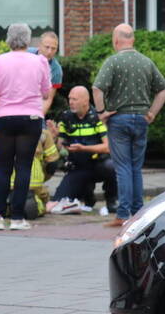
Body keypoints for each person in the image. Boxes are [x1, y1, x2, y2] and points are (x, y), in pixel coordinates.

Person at [93, 24, 165, 228]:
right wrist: (152, 112)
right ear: (133, 40)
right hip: (141, 120)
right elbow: (163, 89)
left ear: (116, 41)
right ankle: (138, 212)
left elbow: (97, 88)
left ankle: (122, 214)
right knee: (136, 167)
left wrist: (101, 113)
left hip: (119, 119)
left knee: (123, 168)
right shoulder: (146, 62)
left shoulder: (112, 62)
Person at [0, 22, 51, 230]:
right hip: (30, 118)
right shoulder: (40, 61)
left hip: (4, 117)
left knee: (3, 167)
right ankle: (17, 218)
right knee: (23, 167)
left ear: (8, 39)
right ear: (28, 39)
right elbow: (46, 93)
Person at [49, 85, 117, 216]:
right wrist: (54, 137)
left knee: (111, 166)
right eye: (69, 99)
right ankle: (88, 199)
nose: (70, 102)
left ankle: (112, 201)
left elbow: (108, 147)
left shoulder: (97, 118)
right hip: (78, 167)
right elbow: (60, 148)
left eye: (74, 99)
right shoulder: (66, 117)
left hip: (97, 164)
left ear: (85, 101)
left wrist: (84, 148)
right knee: (55, 204)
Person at [29, 31, 63, 115]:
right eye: (47, 47)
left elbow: (47, 99)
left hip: (35, 107)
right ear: (39, 45)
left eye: (53, 48)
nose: (49, 52)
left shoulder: (56, 70)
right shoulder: (26, 53)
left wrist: (37, 116)